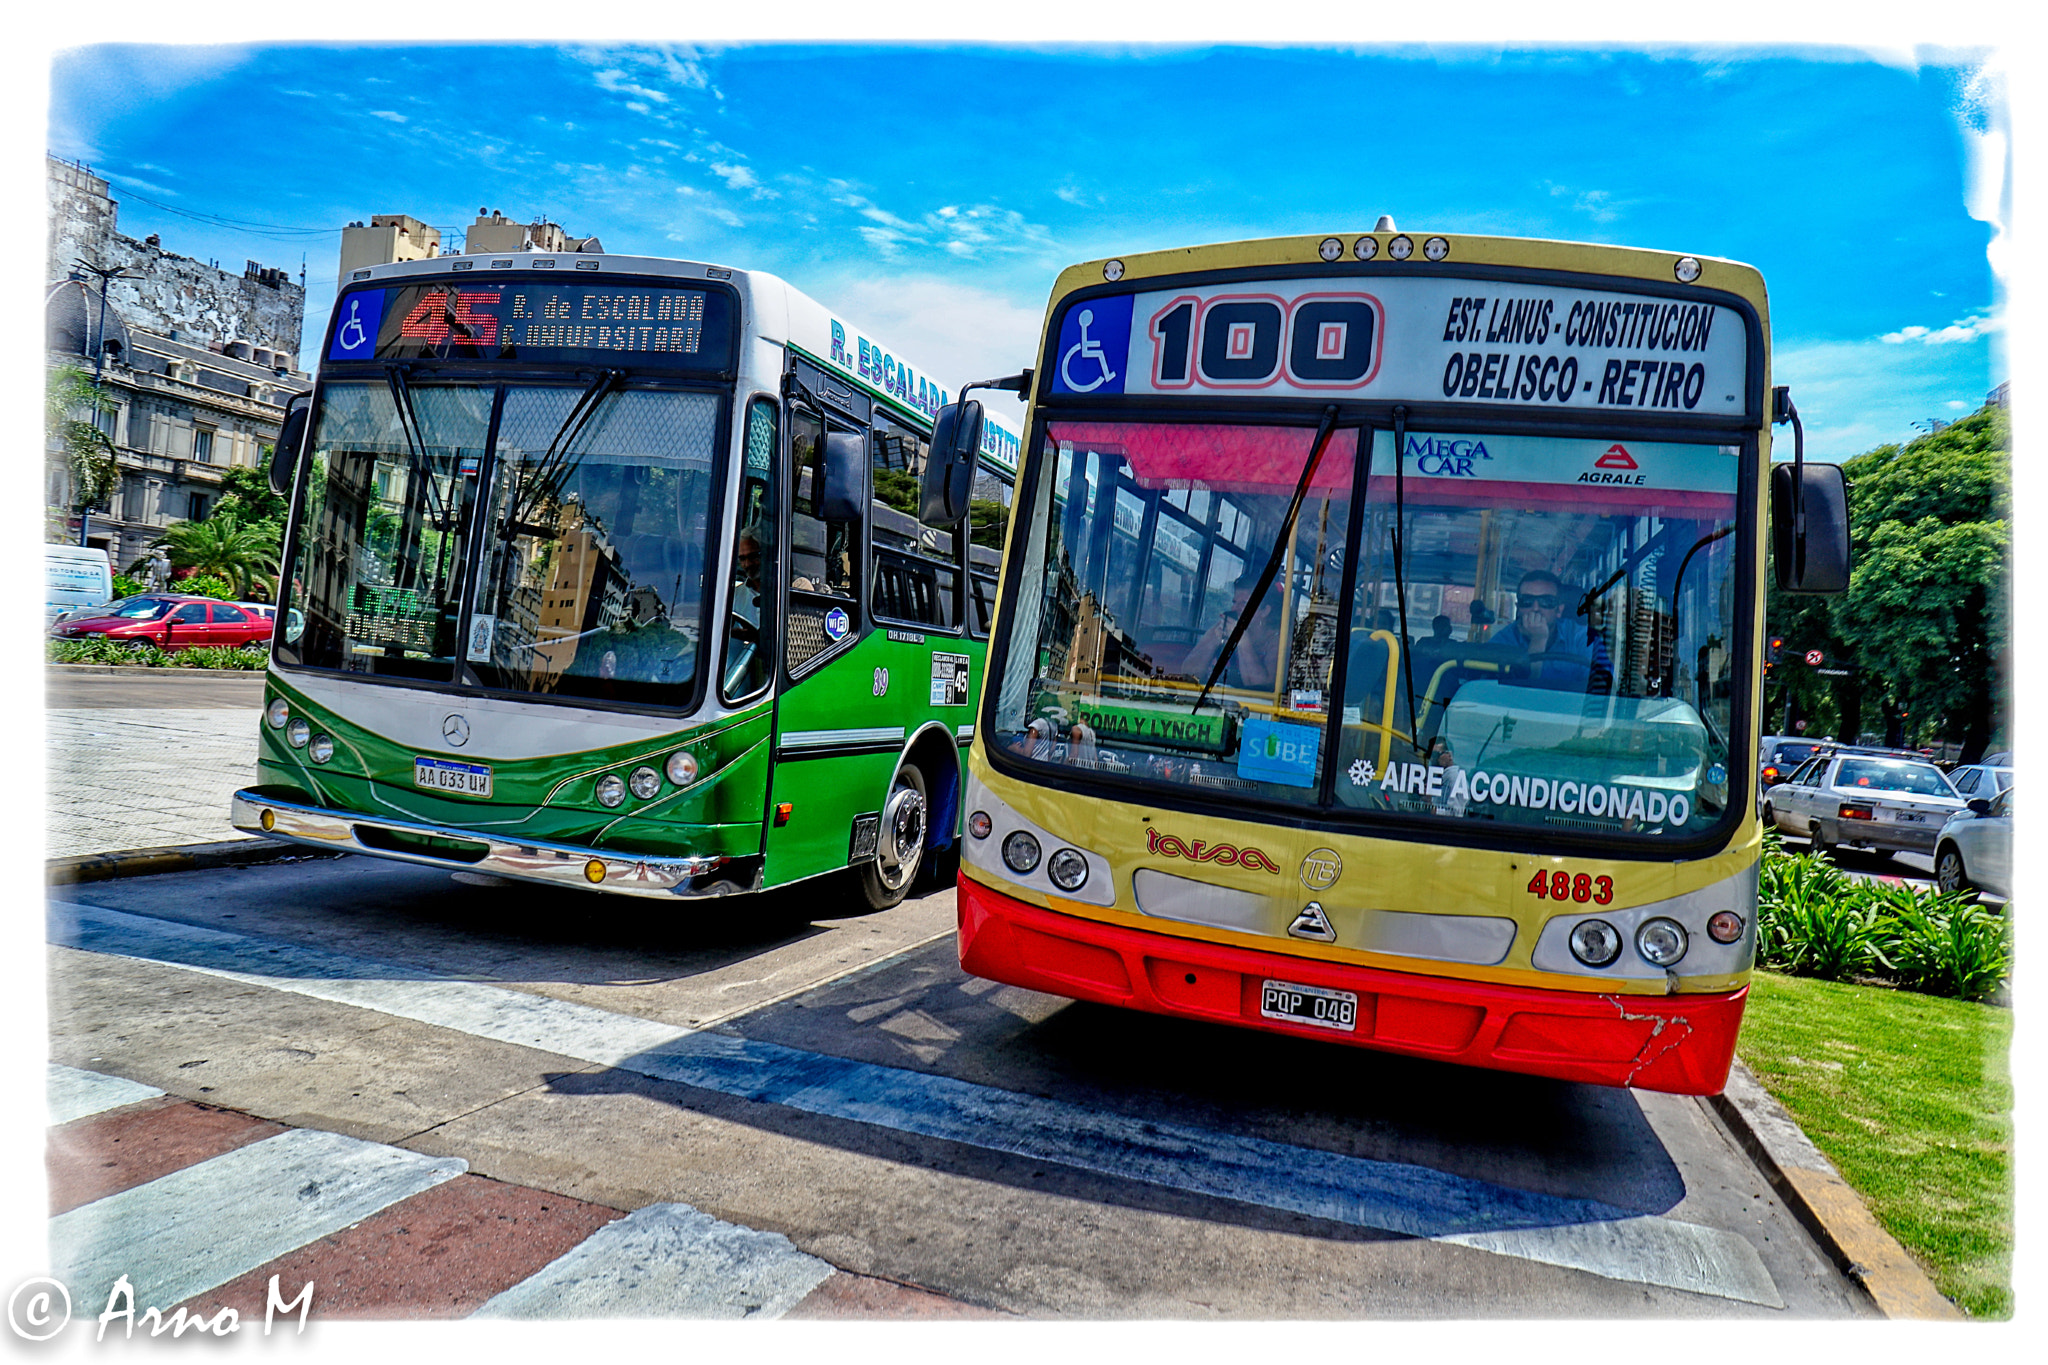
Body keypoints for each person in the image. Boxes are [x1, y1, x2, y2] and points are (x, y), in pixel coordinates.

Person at [1488, 569, 1611, 690]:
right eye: (1527, 601)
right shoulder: (1503, 640)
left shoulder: (1583, 638)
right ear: (1518, 608)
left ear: (1559, 610)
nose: (1535, 608)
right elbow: (1494, 691)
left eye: (1546, 601)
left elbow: (1604, 687)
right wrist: (1538, 640)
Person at [1185, 572, 1284, 691]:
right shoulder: (1224, 627)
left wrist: (1242, 640)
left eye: (1244, 603)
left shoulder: (1276, 642)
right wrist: (1213, 641)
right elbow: (1188, 672)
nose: (1234, 608)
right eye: (1234, 602)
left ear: (1265, 611)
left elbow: (1259, 687)